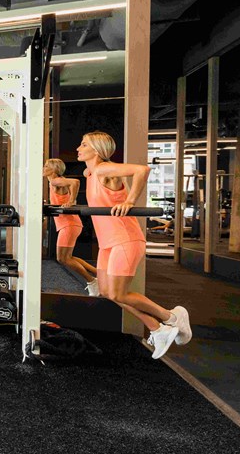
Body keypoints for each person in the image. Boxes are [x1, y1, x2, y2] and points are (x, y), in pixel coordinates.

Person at [77, 132, 191, 358]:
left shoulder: (103, 169)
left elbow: (142, 170)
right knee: (108, 292)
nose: (78, 147)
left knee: (119, 293)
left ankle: (171, 318)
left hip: (125, 239)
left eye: (84, 144)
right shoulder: (91, 172)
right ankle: (159, 330)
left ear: (97, 150)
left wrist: (130, 201)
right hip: (109, 242)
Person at [43, 158, 100, 296]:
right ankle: (99, 275)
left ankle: (92, 281)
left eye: (46, 166)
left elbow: (75, 182)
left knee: (63, 258)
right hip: (68, 224)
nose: (43, 168)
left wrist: (71, 200)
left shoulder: (56, 180)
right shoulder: (53, 183)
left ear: (54, 169)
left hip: (69, 225)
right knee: (68, 257)